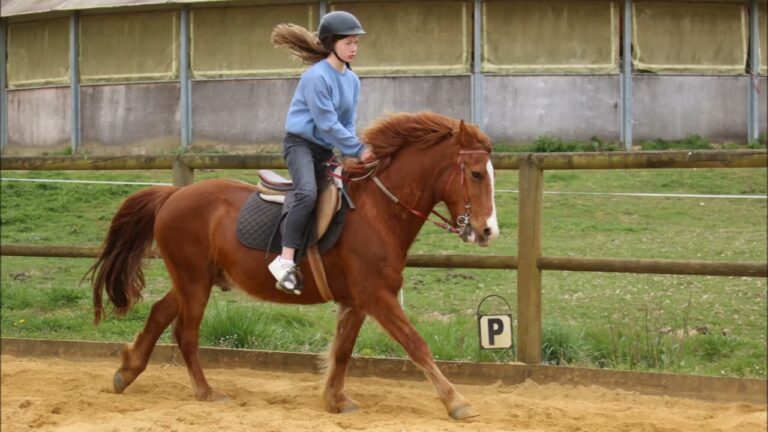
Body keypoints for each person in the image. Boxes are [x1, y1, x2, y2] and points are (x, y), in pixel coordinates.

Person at [269, 11, 375, 295]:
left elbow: (347, 122)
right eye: (348, 43)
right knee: (306, 193)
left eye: (356, 43)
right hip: (300, 145)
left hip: (325, 149)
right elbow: (327, 123)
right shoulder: (316, 77)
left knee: (351, 189)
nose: (354, 48)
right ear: (331, 44)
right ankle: (284, 261)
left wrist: (352, 154)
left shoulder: (352, 79)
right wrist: (359, 149)